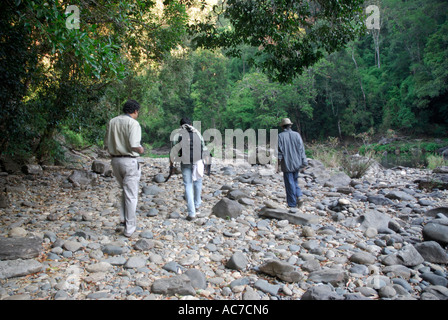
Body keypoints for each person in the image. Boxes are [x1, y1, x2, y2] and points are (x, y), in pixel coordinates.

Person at [105, 99, 144, 237]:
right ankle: (130, 228)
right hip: (129, 162)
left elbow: (106, 143)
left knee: (125, 191)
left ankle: (122, 220)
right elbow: (134, 144)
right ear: (135, 111)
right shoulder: (133, 123)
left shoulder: (112, 121)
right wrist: (141, 149)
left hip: (115, 161)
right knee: (131, 195)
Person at [170, 117, 207, 221]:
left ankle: (191, 213)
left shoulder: (178, 134)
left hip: (185, 161)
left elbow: (174, 150)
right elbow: (204, 147)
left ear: (180, 125)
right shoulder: (197, 132)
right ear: (191, 124)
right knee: (198, 182)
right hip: (197, 160)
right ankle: (197, 205)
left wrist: (171, 165)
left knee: (188, 185)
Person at [277, 118, 308, 209]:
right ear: (290, 125)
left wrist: (278, 165)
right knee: (295, 182)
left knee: (289, 184)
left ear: (282, 126)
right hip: (297, 163)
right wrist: (304, 162)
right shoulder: (297, 135)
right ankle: (299, 196)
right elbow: (301, 149)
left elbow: (279, 152)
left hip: (287, 164)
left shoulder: (280, 136)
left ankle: (292, 204)